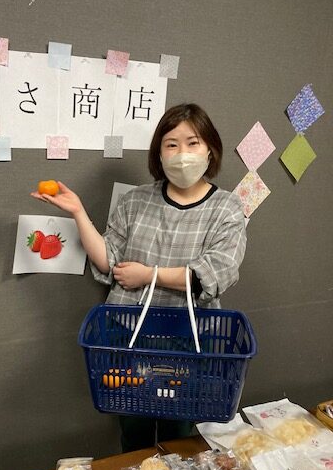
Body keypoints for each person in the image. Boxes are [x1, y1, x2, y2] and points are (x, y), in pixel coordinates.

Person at [32, 103, 246, 452]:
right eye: (171, 144)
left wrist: (148, 275)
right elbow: (109, 262)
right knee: (133, 430)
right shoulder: (135, 201)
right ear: (159, 153)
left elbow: (214, 273)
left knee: (180, 433)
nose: (182, 154)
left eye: (192, 143)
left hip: (187, 340)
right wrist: (78, 212)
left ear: (210, 149)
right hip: (128, 334)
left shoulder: (227, 208)